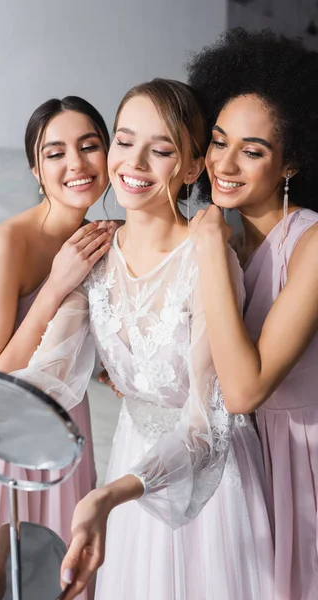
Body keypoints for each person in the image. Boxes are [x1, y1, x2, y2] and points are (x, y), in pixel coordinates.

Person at [9, 79, 273, 599]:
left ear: (193, 167)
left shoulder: (208, 256)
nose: (134, 162)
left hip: (210, 479)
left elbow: (206, 427)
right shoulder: (95, 253)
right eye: (125, 141)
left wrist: (108, 496)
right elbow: (51, 375)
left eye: (162, 150)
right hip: (129, 460)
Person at [0, 95, 115, 600]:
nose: (75, 163)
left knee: (67, 580)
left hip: (71, 432)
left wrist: (107, 370)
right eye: (55, 153)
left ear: (108, 155)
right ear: (36, 168)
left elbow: (80, 344)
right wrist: (54, 286)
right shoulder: (8, 242)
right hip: (4, 434)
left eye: (89, 146)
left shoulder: (105, 238)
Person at [186, 28, 318, 600]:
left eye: (253, 149)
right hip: (244, 459)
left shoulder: (311, 244)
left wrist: (210, 238)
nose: (225, 163)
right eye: (218, 142)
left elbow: (244, 390)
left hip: (304, 458)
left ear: (289, 164)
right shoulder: (230, 244)